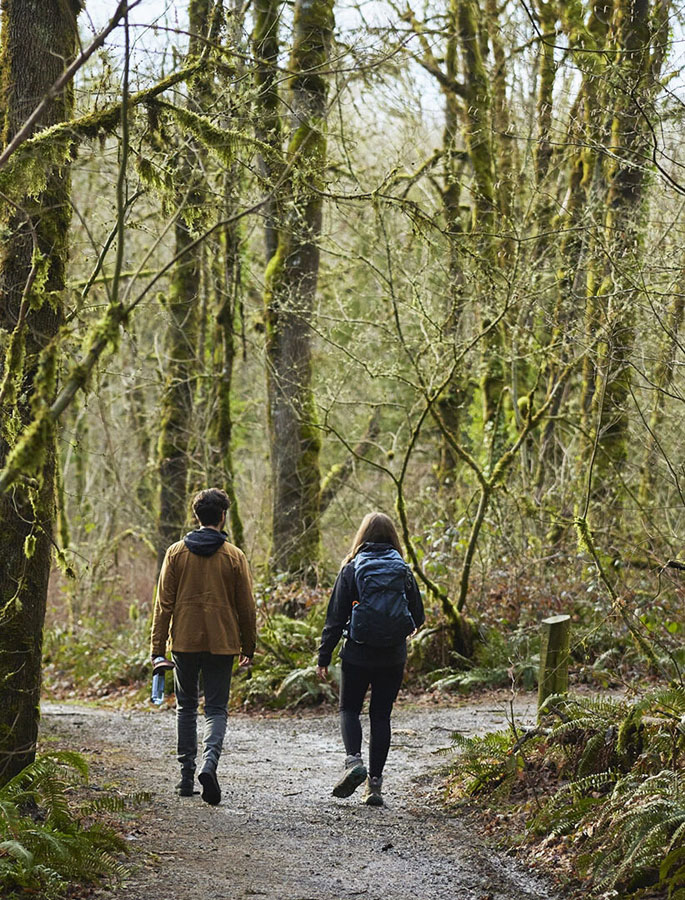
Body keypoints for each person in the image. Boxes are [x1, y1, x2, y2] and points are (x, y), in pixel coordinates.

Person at [150, 488, 256, 805]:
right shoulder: (234, 557)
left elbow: (163, 605)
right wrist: (248, 644)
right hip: (223, 642)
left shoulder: (175, 553)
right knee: (216, 708)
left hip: (183, 640)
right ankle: (209, 765)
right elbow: (247, 607)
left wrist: (157, 648)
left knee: (185, 706)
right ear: (222, 517)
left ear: (197, 516)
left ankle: (185, 779)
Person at [316, 512, 424, 807]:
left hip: (357, 653)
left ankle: (353, 762)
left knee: (349, 709)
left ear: (361, 536)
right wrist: (395, 631)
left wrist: (323, 657)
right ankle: (374, 786)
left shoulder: (351, 569)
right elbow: (419, 617)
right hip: (392, 655)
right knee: (381, 716)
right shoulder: (403, 570)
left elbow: (335, 619)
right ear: (393, 537)